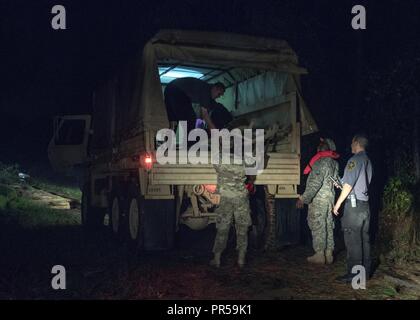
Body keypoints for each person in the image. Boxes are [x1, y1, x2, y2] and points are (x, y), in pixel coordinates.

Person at [210, 119, 254, 269]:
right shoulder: (244, 159)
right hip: (241, 197)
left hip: (225, 197)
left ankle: (217, 258)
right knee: (242, 229)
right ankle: (241, 258)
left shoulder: (220, 159)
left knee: (222, 228)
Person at [333, 134, 373, 283]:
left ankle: (354, 274)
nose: (350, 145)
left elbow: (349, 185)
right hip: (365, 206)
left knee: (353, 240)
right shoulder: (367, 160)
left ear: (356, 143)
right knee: (364, 240)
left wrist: (338, 204)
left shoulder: (354, 160)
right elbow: (352, 183)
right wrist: (341, 185)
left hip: (354, 208)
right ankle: (364, 273)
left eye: (352, 143)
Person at [296, 138, 340, 264]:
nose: (317, 148)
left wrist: (303, 199)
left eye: (319, 146)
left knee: (318, 224)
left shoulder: (320, 162)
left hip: (319, 199)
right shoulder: (334, 163)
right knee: (328, 225)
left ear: (321, 149)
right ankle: (329, 254)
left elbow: (315, 183)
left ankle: (320, 254)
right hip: (330, 199)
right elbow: (336, 181)